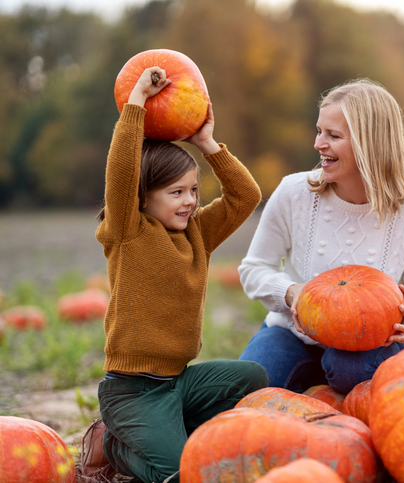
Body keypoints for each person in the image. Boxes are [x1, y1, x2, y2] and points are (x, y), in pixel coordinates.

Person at [94, 66, 269, 483]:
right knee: (182, 474)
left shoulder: (197, 233)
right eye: (176, 193)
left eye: (193, 190)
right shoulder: (128, 230)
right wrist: (136, 102)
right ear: (142, 197)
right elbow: (121, 170)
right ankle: (118, 449)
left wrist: (207, 143)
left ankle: (170, 433)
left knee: (254, 378)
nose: (189, 201)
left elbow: (247, 196)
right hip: (132, 391)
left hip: (178, 384)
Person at [238, 78, 404, 395]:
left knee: (351, 371)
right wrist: (293, 293)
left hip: (368, 344)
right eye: (319, 131)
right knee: (250, 387)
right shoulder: (293, 193)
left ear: (369, 143)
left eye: (333, 136)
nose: (319, 144)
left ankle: (340, 393)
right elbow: (253, 269)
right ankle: (309, 386)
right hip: (292, 333)